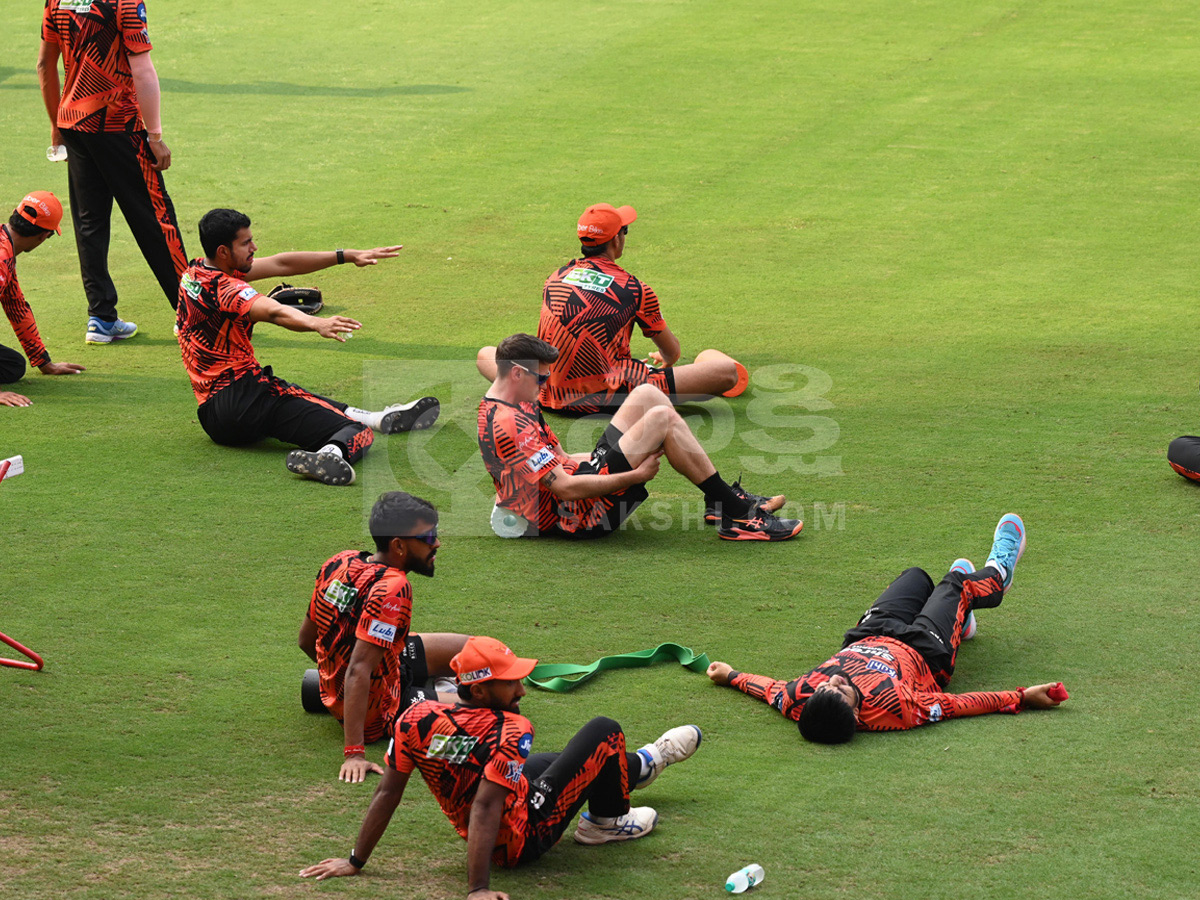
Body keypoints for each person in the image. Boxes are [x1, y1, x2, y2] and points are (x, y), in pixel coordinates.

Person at [299, 635, 702, 898]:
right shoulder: (512, 730)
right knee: (604, 730)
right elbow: (487, 807)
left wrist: (355, 861)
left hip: (493, 819)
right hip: (522, 839)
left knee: (565, 760)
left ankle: (642, 766)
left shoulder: (414, 719)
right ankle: (606, 822)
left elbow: (388, 792)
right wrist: (478, 890)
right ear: (478, 689)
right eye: (511, 682)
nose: (522, 689)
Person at [706, 514, 1069, 742]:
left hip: (870, 633)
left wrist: (731, 675)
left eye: (825, 686)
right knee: (956, 585)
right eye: (840, 691)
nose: (832, 680)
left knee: (915, 577)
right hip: (926, 652)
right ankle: (999, 574)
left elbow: (769, 689)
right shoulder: (897, 709)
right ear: (854, 714)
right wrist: (1020, 697)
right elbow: (959, 704)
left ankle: (961, 620)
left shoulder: (800, 698)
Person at [177, 208, 438, 485]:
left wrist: (346, 255)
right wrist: (317, 324)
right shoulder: (229, 289)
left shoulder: (194, 274)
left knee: (298, 395)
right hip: (248, 398)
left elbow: (281, 264)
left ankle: (379, 417)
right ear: (223, 251)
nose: (254, 247)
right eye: (245, 243)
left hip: (214, 417)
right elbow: (274, 311)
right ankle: (330, 453)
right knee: (356, 432)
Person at [477, 333, 801, 540]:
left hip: (579, 479)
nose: (545, 385)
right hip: (578, 517)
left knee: (647, 394)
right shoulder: (510, 423)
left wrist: (599, 459)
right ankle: (737, 515)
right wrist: (635, 474)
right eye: (541, 378)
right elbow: (565, 488)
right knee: (661, 418)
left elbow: (559, 457)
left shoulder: (511, 397)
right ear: (517, 373)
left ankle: (718, 501)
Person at [475, 203, 748, 415]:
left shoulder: (556, 276)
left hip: (545, 391)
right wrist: (657, 364)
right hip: (608, 396)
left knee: (485, 355)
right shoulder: (635, 289)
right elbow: (672, 352)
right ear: (616, 240)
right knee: (726, 372)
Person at [38, 0, 188, 343]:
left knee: (89, 221)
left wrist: (55, 126)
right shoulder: (125, 2)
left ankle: (101, 317)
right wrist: (155, 136)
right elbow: (143, 71)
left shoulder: (56, 1)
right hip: (119, 125)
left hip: (74, 123)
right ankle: (193, 314)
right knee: (156, 219)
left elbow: (45, 64)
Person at [298, 491, 468, 782]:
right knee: (488, 702)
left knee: (482, 654)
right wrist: (355, 752)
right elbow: (360, 669)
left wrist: (334, 678)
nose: (437, 543)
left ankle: (331, 694)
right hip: (382, 708)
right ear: (399, 545)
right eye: (428, 538)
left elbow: (306, 639)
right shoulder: (393, 588)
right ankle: (433, 690)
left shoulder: (340, 562)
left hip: (384, 666)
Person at [2, 192, 87, 408]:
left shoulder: (6, 250)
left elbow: (16, 307)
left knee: (12, 366)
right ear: (43, 236)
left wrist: (44, 362)